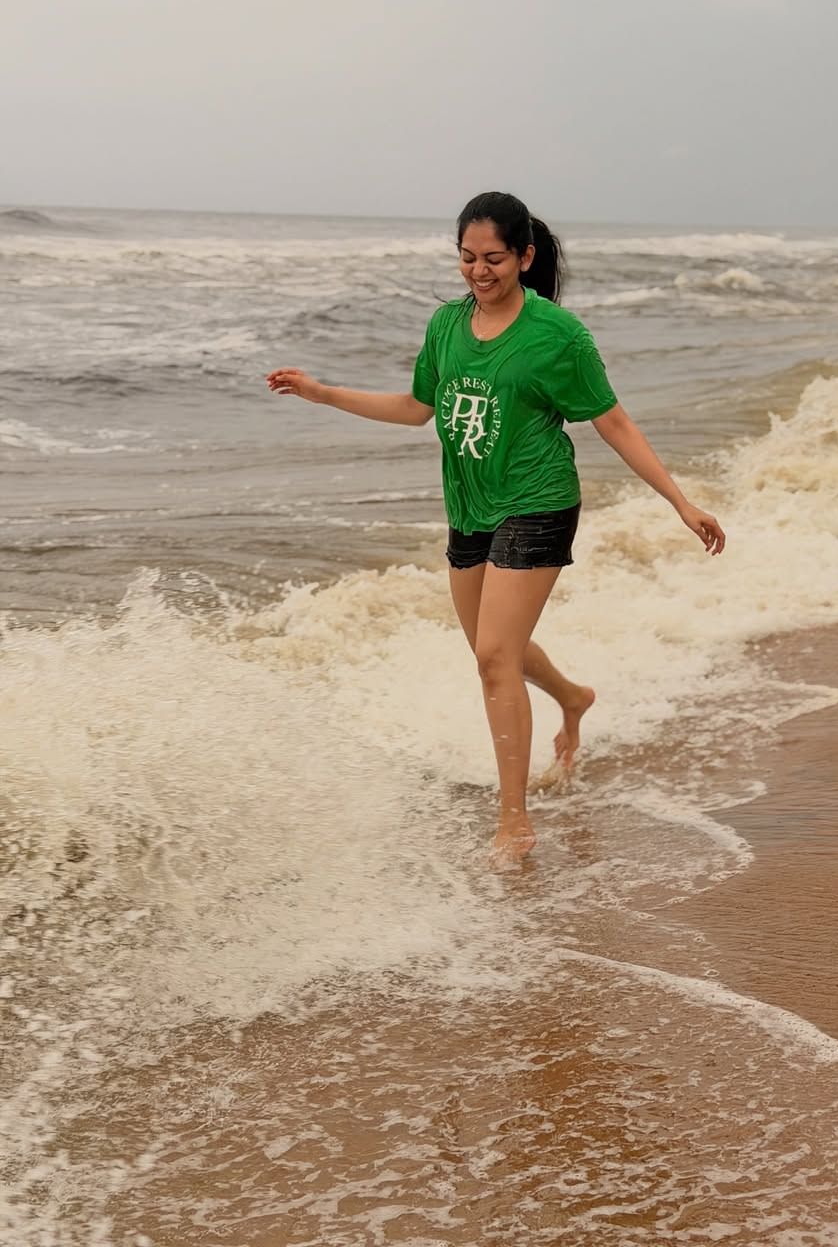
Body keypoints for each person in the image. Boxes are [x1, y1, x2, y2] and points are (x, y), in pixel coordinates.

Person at [267, 191, 725, 866]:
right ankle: (573, 697)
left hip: (538, 501)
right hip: (470, 506)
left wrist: (680, 502)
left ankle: (514, 819)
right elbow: (417, 408)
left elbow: (613, 421)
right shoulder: (446, 326)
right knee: (493, 649)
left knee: (492, 659)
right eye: (467, 258)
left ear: (525, 257)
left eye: (494, 259)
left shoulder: (557, 335)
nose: (479, 272)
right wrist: (323, 393)